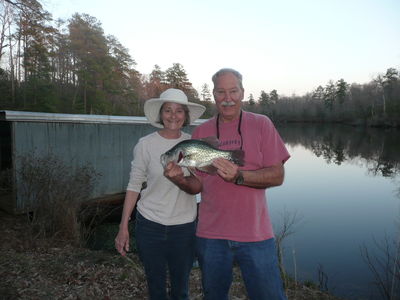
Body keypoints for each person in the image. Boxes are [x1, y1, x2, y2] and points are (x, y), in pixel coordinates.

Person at [178, 68, 290, 300]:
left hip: (256, 235)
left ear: (242, 92)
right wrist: (177, 177)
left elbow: (278, 176)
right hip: (211, 235)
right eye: (221, 92)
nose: (227, 98)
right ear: (213, 94)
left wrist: (240, 176)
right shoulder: (201, 131)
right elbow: (196, 185)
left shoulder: (261, 124)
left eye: (233, 91)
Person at [114, 88, 205, 300]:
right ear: (160, 114)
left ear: (186, 115)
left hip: (184, 227)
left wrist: (180, 178)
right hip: (150, 225)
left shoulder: (193, 144)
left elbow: (199, 185)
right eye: (168, 110)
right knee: (155, 288)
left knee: (181, 290)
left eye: (179, 111)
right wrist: (123, 226)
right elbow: (134, 185)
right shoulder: (145, 145)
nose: (173, 115)